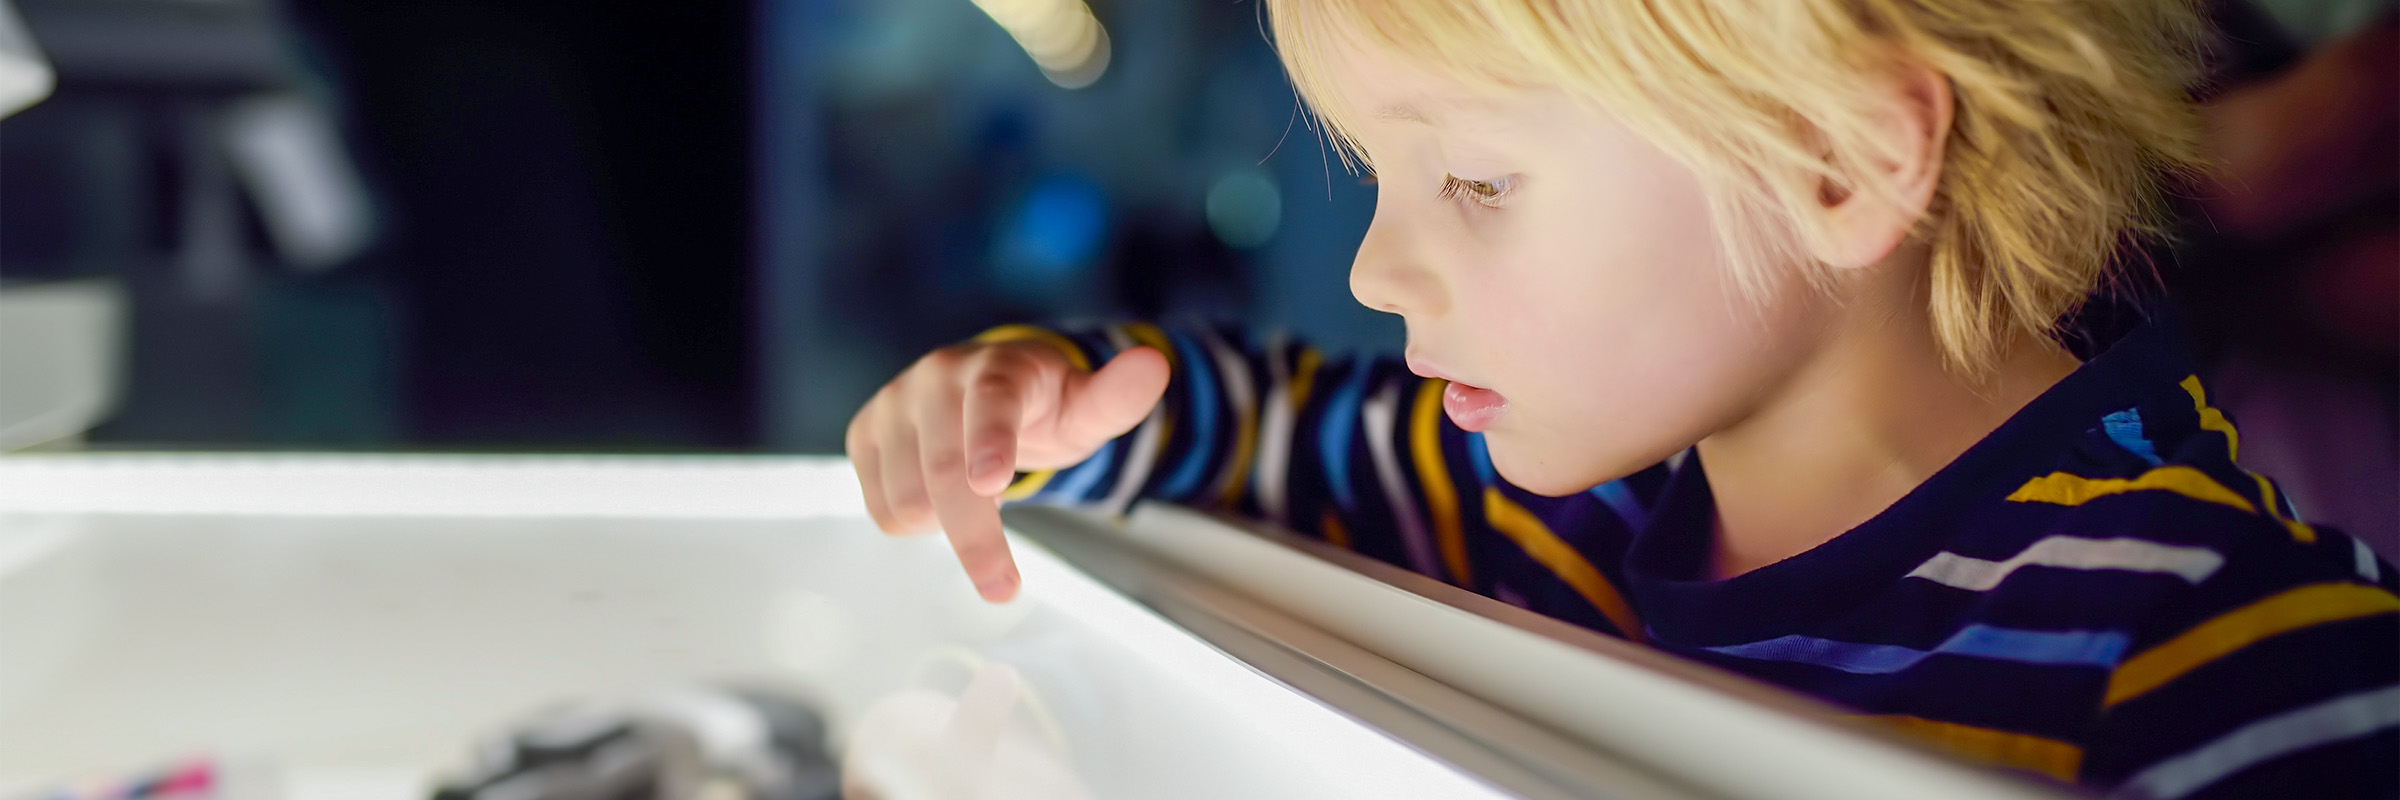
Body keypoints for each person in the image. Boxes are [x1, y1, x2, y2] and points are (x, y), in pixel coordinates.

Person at [843, 0, 2399, 795]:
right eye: (1380, 176)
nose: (1377, 269)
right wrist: (1029, 397)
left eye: (1474, 180)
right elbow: (1225, 430)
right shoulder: (1527, 494)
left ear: (1840, 162)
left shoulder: (2224, 665)